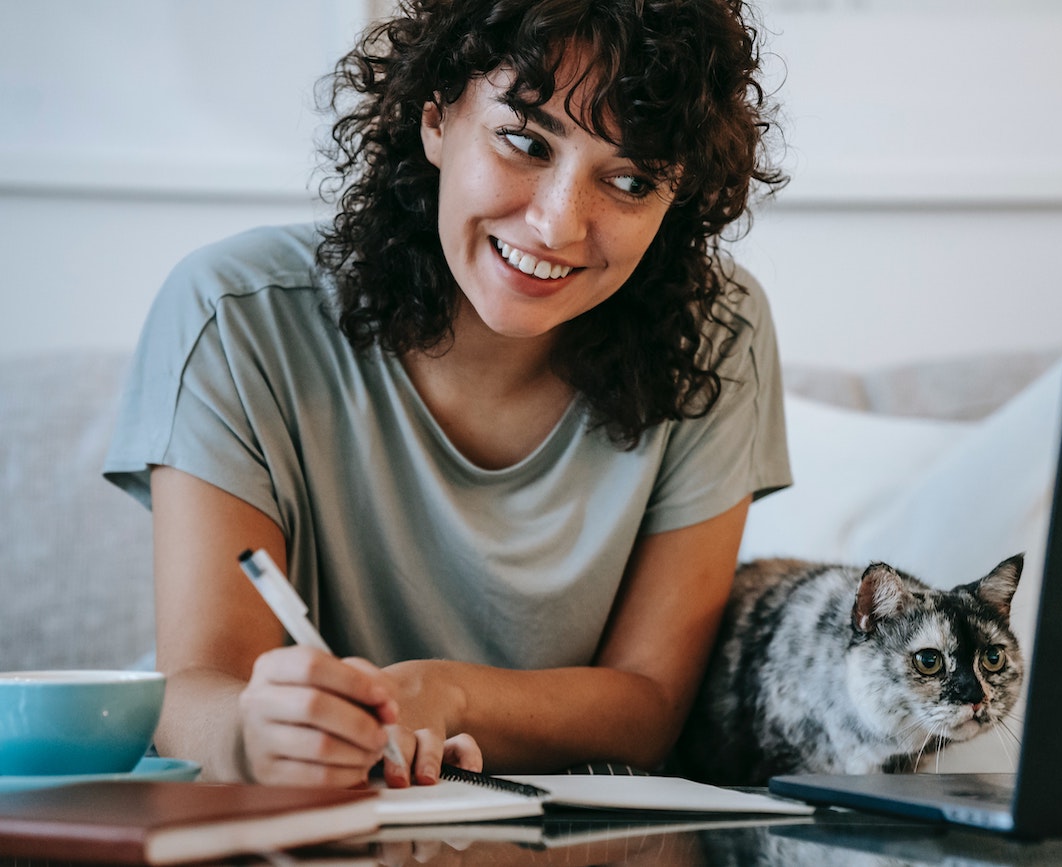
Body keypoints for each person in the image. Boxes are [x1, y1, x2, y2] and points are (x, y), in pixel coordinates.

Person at [104, 0, 789, 789]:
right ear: (435, 117)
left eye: (631, 179)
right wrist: (255, 735)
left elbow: (650, 704)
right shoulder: (232, 316)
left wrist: (449, 693)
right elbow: (197, 689)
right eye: (525, 140)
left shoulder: (717, 332)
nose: (558, 224)